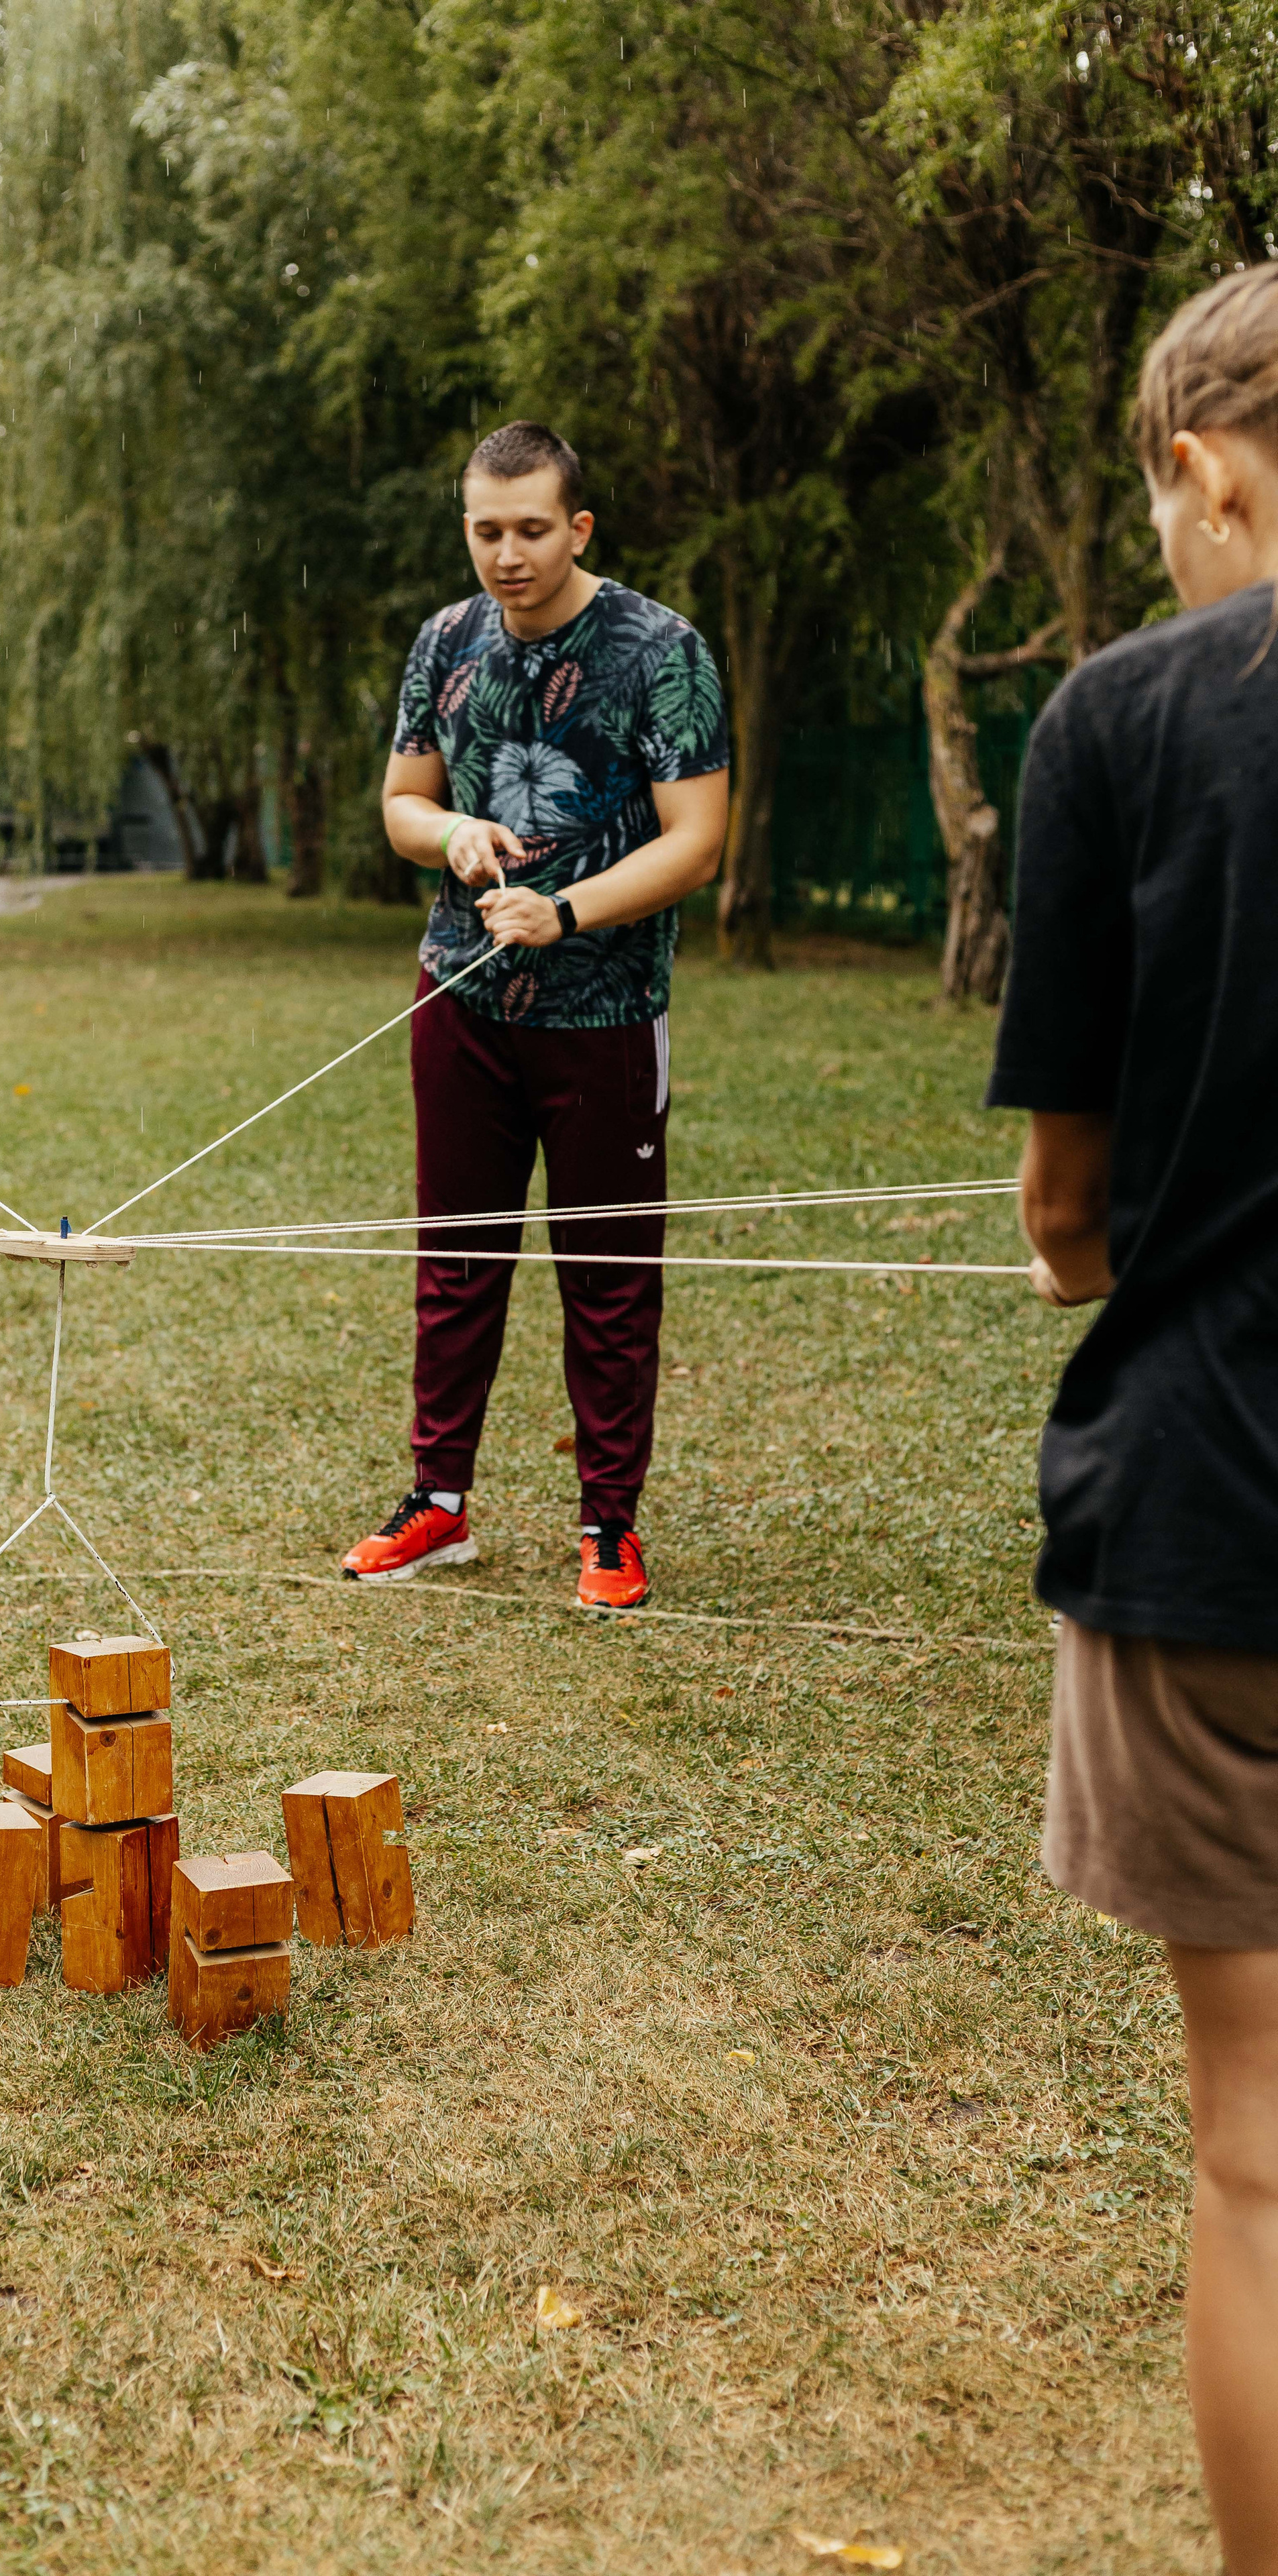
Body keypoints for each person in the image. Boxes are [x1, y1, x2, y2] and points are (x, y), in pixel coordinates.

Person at [990, 266, 1278, 2573]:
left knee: (1261, 2158)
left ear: (1199, 470)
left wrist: (1090, 1251)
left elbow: (1067, 1212)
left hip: (1218, 1517)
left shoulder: (1117, 719)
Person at [342, 422, 729, 1611]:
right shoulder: (444, 642)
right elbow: (403, 804)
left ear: (578, 527)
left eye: (530, 530)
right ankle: (438, 1503)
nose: (506, 555)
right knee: (456, 1255)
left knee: (608, 1273)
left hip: (605, 1010)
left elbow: (698, 841)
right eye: (485, 531)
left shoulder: (662, 650)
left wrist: (565, 912)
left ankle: (609, 1526)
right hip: (460, 995)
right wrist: (452, 832)